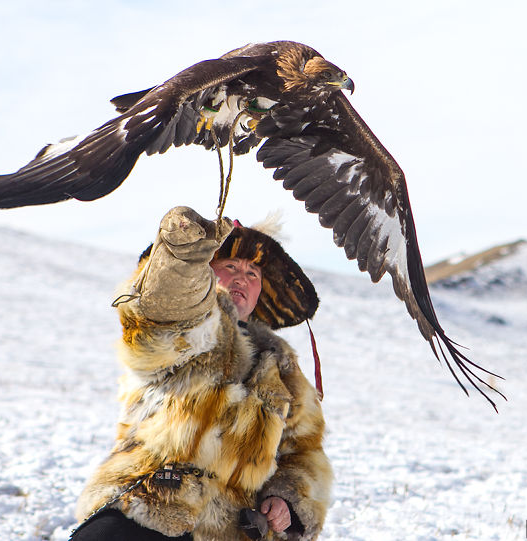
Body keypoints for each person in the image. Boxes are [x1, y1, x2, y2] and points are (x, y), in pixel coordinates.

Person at [72, 206, 332, 541]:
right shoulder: (184, 325)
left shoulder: (282, 367)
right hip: (151, 503)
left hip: (234, 527)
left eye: (254, 273)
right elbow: (157, 312)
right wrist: (180, 257)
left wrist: (286, 498)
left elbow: (305, 450)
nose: (243, 277)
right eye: (231, 266)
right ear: (204, 271)